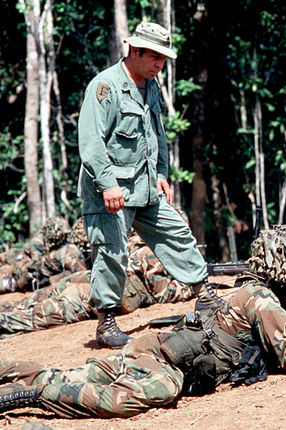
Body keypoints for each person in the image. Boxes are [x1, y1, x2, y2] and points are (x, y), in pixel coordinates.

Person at [0, 224, 286, 418]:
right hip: (168, 367)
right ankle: (30, 393)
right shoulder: (263, 298)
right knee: (122, 401)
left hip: (158, 350)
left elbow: (276, 340)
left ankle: (12, 372)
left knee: (74, 374)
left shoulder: (260, 291)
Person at [76, 21, 216, 348]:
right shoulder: (105, 87)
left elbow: (156, 135)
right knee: (112, 251)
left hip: (144, 187)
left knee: (176, 232)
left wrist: (162, 173)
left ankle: (205, 295)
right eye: (154, 58)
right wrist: (108, 184)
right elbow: (91, 142)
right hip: (109, 189)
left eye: (163, 60)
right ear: (134, 51)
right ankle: (106, 322)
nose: (159, 66)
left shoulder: (150, 86)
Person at [0, 244, 205, 339]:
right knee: (27, 319)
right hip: (78, 300)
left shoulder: (148, 252)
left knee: (23, 311)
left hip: (81, 291)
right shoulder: (151, 253)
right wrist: (190, 288)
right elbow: (163, 294)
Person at [0, 217, 87, 294]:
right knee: (11, 282)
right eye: (63, 235)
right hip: (25, 269)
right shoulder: (38, 243)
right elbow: (37, 264)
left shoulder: (62, 246)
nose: (64, 237)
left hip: (41, 270)